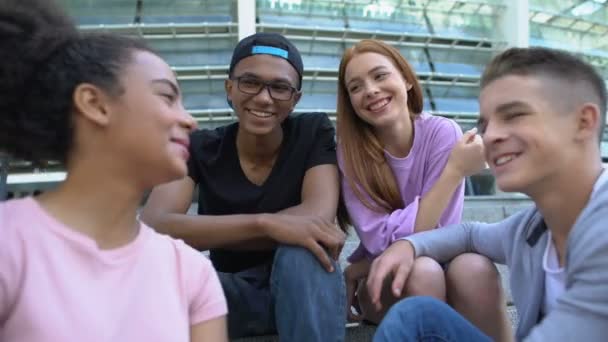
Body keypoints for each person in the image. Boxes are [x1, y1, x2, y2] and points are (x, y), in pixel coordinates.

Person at [0, 0, 228, 341]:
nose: (190, 120)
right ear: (95, 104)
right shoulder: (10, 245)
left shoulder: (191, 273)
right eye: (167, 97)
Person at [369, 47, 608, 341]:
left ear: (583, 122)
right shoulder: (533, 227)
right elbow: (469, 234)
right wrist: (406, 246)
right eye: (485, 124)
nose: (491, 135)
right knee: (417, 315)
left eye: (514, 115)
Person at [141, 32, 346, 341]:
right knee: (148, 276)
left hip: (301, 285)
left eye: (280, 88)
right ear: (230, 88)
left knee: (303, 252)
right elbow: (156, 226)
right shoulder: (201, 147)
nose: (264, 98)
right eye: (250, 82)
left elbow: (316, 219)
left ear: (295, 99)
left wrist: (216, 231)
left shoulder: (312, 131)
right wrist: (266, 224)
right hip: (227, 293)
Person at [335, 39, 511, 340]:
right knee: (422, 269)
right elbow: (383, 244)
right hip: (385, 280)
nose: (370, 90)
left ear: (405, 79)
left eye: (379, 76)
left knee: (475, 268)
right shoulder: (350, 154)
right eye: (356, 87)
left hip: (447, 261)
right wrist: (455, 170)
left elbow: (443, 232)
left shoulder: (442, 133)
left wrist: (359, 265)